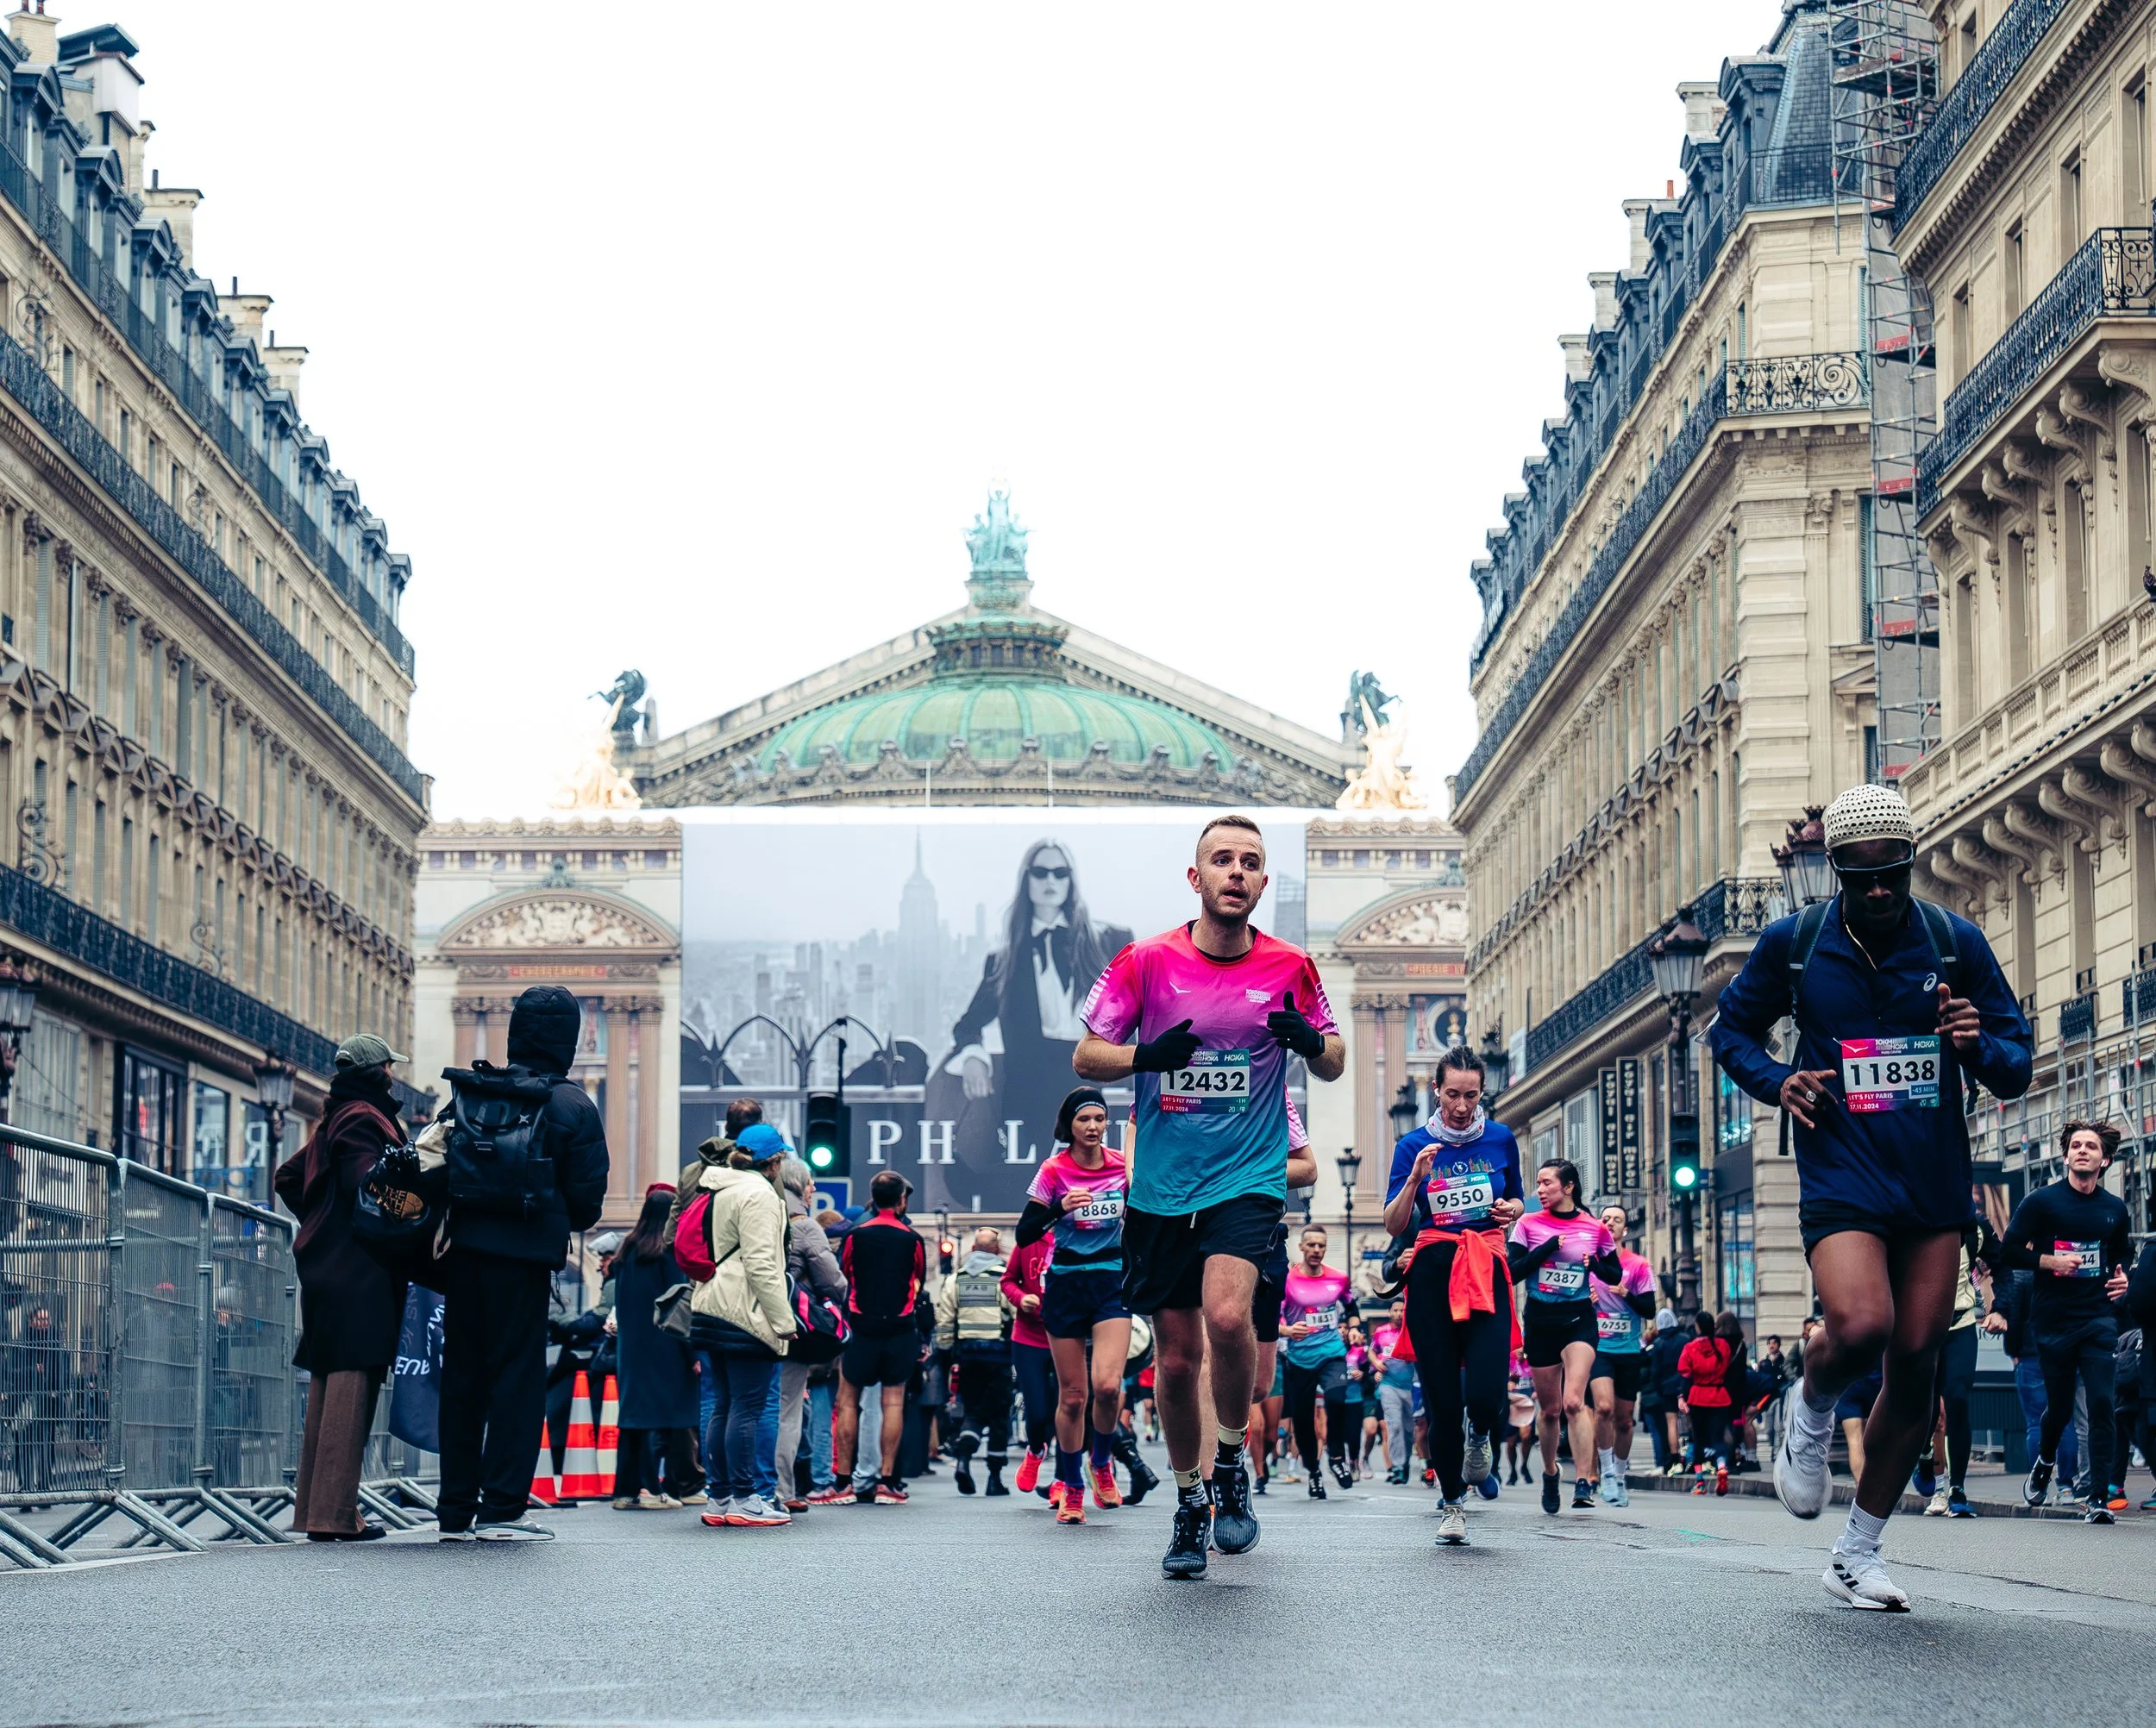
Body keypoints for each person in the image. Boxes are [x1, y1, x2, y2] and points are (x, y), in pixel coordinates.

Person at [1711, 780, 2032, 1610]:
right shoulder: (1796, 943)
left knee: (1918, 1360)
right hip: (1843, 1168)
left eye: (1894, 872)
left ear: (1911, 861)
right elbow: (1729, 1033)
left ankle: (1858, 1552)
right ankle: (1811, 1403)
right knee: (1863, 1324)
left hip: (1930, 1175)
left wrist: (1975, 1042)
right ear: (1836, 873)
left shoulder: (1954, 942)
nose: (1881, 890)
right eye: (1862, 877)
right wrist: (1780, 1082)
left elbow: (2016, 1061)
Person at [1075, 812, 1344, 1577]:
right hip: (1162, 1187)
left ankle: (1231, 1464)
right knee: (1178, 1357)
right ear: (1196, 879)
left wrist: (1308, 1042)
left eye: (1250, 862)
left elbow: (1331, 1060)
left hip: (1249, 1177)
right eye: (1221, 860)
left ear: (1262, 882)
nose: (1236, 872)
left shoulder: (1291, 964)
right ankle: (1191, 1501)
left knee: (1229, 1318)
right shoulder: (1145, 962)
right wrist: (1145, 1055)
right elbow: (1087, 1054)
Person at [432, 986, 610, 1543]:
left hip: (461, 1256)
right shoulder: (572, 1105)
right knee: (516, 1379)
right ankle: (503, 1508)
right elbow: (586, 1204)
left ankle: (455, 1511)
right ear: (568, 1039)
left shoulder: (469, 1094)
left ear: (514, 1034)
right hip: (526, 1259)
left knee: (462, 1379)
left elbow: (436, 1169)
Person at [1381, 1044, 1532, 1543]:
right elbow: (1394, 1222)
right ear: (1436, 1091)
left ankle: (1481, 1433)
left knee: (1486, 1394)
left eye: (1470, 1095)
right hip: (1432, 1272)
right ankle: (1452, 1502)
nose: (1461, 1106)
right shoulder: (1412, 1146)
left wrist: (1512, 1210)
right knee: (1443, 1402)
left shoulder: (1502, 1139)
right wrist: (1416, 1181)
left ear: (1482, 1092)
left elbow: (1514, 1197)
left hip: (1485, 1264)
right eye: (1452, 1095)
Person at [931, 840, 1133, 1210]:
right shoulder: (1004, 960)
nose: (1050, 881)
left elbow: (1136, 1010)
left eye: (1060, 872)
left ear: (1072, 881)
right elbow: (968, 1025)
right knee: (1034, 1194)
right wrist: (974, 1054)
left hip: (1090, 1073)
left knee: (1097, 1185)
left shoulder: (1108, 941)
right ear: (1027, 881)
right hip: (1031, 1087)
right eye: (1040, 872)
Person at [273, 1034, 410, 1541]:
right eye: (391, 1069)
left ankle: (314, 1509)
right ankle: (334, 1515)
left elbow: (287, 1177)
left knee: (328, 1384)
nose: (395, 1077)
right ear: (379, 1072)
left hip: (328, 1267)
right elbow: (366, 1180)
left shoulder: (336, 1115)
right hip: (359, 1269)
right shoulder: (362, 1116)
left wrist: (318, 1220)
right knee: (353, 1381)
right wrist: (408, 1211)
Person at [1998, 1121, 2133, 1525]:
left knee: (2102, 1404)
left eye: (2090, 1146)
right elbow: (2007, 1252)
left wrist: (2123, 1278)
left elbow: (2120, 1256)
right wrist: (2049, 1261)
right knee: (2058, 1409)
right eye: (2075, 1145)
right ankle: (2044, 1462)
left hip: (2096, 1320)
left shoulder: (2114, 1209)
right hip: (2053, 1322)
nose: (2082, 1151)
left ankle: (2097, 1499)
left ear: (2104, 1159)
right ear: (2066, 1156)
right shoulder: (2042, 1203)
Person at [1016, 1088, 1131, 1525]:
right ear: (1070, 1124)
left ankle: (1100, 1461)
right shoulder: (1054, 1170)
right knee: (1073, 1396)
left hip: (1110, 1281)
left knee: (1107, 1386)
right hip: (1065, 1281)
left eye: (1100, 1119)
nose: (1093, 1127)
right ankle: (1072, 1487)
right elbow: (1025, 1233)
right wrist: (1058, 1208)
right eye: (1085, 1119)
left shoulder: (1123, 1166)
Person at [686, 1123, 798, 1528]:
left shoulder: (715, 1186)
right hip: (745, 1310)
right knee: (749, 1407)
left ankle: (719, 1497)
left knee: (724, 1404)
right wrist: (783, 1321)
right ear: (775, 1161)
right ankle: (747, 1498)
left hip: (710, 1303)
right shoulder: (760, 1195)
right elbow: (762, 1265)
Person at [1512, 1160, 1621, 1514]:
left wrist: (1594, 1266)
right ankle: (1549, 1472)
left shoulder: (1593, 1228)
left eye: (1546, 1183)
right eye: (1538, 1184)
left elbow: (1612, 1272)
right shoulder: (1528, 1224)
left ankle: (1586, 1482)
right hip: (1542, 1320)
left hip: (1579, 1319)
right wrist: (1545, 1250)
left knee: (1574, 1401)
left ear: (1568, 1187)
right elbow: (1512, 1273)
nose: (1540, 1190)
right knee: (1550, 1410)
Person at [832, 1169, 928, 1505]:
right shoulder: (912, 1239)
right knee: (893, 1403)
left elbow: (845, 1273)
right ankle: (888, 1481)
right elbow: (918, 1279)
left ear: (873, 1197)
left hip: (861, 1327)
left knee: (847, 1402)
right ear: (902, 1199)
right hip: (899, 1328)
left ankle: (843, 1482)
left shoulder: (856, 1236)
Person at [611, 1184, 703, 1509]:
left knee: (635, 1420)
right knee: (678, 1416)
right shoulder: (667, 1253)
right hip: (666, 1347)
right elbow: (679, 1306)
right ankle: (666, 1488)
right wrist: (692, 1353)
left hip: (632, 1348)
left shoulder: (626, 1252)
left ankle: (626, 1491)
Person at [774, 1157, 845, 1511]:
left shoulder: (756, 1211)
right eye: (809, 1181)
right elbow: (834, 1282)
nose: (814, 1187)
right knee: (786, 1411)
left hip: (744, 1322)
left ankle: (733, 1486)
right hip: (790, 1329)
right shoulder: (804, 1226)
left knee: (742, 1406)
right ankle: (781, 1489)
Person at [936, 1226, 1016, 1497]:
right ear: (996, 1249)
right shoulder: (1003, 1277)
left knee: (972, 1411)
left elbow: (945, 1323)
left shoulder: (954, 1280)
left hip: (968, 1356)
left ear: (971, 1250)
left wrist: (947, 1356)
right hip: (999, 1355)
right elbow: (1015, 1314)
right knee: (999, 1415)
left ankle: (963, 1460)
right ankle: (994, 1479)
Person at [1587, 1204, 1657, 1507]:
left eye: (1617, 1219)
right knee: (1603, 1409)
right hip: (1598, 1348)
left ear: (1625, 1230)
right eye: (1606, 1219)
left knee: (1625, 1421)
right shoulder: (1586, 1262)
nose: (1611, 1223)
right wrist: (1586, 1302)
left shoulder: (1638, 1265)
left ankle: (1619, 1473)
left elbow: (1650, 1310)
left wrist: (1626, 1294)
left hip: (1629, 1350)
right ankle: (1605, 1473)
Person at [1919, 1247, 1981, 1518]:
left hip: (1962, 1323)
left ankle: (1956, 1488)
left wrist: (2000, 1308)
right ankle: (1923, 1455)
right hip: (1922, 1325)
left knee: (1957, 1399)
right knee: (1928, 1408)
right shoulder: (1913, 1218)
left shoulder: (1974, 1228)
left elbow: (2005, 1258)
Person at [1000, 1229, 1056, 1499]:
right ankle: (1035, 1450)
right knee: (1037, 1411)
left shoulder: (1082, 1239)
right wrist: (1022, 1298)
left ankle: (1064, 1478)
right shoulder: (1029, 1241)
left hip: (1067, 1335)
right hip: (1028, 1338)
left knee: (1066, 1408)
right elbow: (1008, 1280)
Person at [667, 1097, 761, 1250]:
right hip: (743, 1264)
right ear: (758, 1131)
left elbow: (671, 1233)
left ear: (725, 1127)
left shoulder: (690, 1173)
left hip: (698, 1266)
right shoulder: (763, 1171)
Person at [1679, 1314, 1733, 1488]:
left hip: (1698, 1396)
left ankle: (1699, 1480)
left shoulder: (1690, 1347)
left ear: (1697, 1327)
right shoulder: (1723, 1346)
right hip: (1719, 1395)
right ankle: (1722, 1467)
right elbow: (1727, 1367)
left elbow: (1685, 1374)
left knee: (1698, 1439)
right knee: (1718, 1437)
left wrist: (1682, 1397)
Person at [1371, 1299, 1415, 1486]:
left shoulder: (1411, 1331)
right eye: (1395, 1310)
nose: (1398, 1314)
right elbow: (1371, 1352)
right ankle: (1397, 1467)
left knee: (1409, 1430)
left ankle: (1404, 1463)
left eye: (1402, 1310)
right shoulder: (1380, 1332)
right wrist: (1376, 1364)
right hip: (1389, 1385)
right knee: (1394, 1425)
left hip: (1411, 1387)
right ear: (1390, 1312)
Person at [1650, 1309, 1690, 1472]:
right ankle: (1691, 1454)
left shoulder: (1658, 1344)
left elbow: (1655, 1371)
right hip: (1685, 1384)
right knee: (1689, 1420)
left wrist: (1659, 1388)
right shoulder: (1685, 1340)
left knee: (1671, 1423)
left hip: (1666, 1388)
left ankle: (1674, 1458)